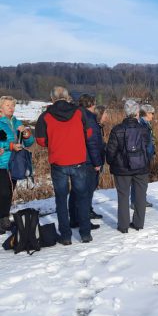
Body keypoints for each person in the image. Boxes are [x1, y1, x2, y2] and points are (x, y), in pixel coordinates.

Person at [35, 86, 93, 245]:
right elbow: (88, 133)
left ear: (52, 98)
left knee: (61, 199)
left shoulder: (45, 116)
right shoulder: (79, 112)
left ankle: (66, 236)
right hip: (78, 160)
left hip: (58, 162)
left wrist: (53, 142)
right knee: (82, 197)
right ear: (67, 97)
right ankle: (85, 233)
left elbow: (40, 140)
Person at [106, 100, 150, 234]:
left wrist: (111, 162)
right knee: (141, 196)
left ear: (125, 112)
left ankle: (123, 225)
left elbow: (111, 151)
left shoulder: (117, 129)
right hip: (141, 167)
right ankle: (138, 223)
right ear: (137, 113)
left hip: (122, 168)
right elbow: (148, 149)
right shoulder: (144, 129)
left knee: (123, 196)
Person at [69, 94, 104, 229]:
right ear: (91, 104)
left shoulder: (74, 115)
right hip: (88, 160)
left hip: (74, 157)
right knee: (86, 192)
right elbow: (92, 142)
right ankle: (84, 221)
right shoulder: (89, 118)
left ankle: (74, 219)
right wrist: (97, 162)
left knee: (75, 191)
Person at [0, 96, 34, 233]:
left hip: (15, 163)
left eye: (13, 105)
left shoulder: (17, 122)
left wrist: (26, 134)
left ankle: (3, 219)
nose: (11, 108)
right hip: (2, 163)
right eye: (7, 105)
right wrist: (11, 146)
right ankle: (3, 219)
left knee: (9, 192)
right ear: (0, 108)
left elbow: (29, 143)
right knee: (4, 192)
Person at [131, 104, 156, 209]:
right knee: (138, 180)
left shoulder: (146, 124)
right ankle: (134, 202)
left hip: (146, 156)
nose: (153, 115)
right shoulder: (141, 124)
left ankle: (141, 199)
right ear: (147, 113)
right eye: (152, 113)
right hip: (141, 157)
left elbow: (150, 141)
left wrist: (152, 152)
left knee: (143, 180)